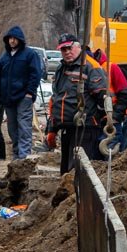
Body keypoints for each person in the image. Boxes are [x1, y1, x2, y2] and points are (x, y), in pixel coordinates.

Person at [46, 33, 108, 174]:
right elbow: (56, 100)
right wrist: (52, 129)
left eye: (70, 48)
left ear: (78, 47)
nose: (67, 52)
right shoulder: (61, 69)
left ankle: (79, 196)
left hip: (85, 129)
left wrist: (106, 122)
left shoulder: (90, 67)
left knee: (79, 172)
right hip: (67, 128)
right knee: (66, 172)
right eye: (63, 50)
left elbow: (102, 97)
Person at [0, 25, 44, 159]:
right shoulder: (5, 57)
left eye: (15, 38)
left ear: (20, 40)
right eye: (10, 38)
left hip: (23, 97)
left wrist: (29, 93)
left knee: (24, 127)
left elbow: (36, 74)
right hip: (8, 98)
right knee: (12, 128)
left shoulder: (29, 54)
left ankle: (24, 157)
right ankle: (17, 154)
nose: (12, 41)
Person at [91, 48, 127, 125]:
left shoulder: (111, 67)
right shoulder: (81, 70)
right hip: (92, 125)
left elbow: (126, 97)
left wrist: (114, 117)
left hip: (111, 122)